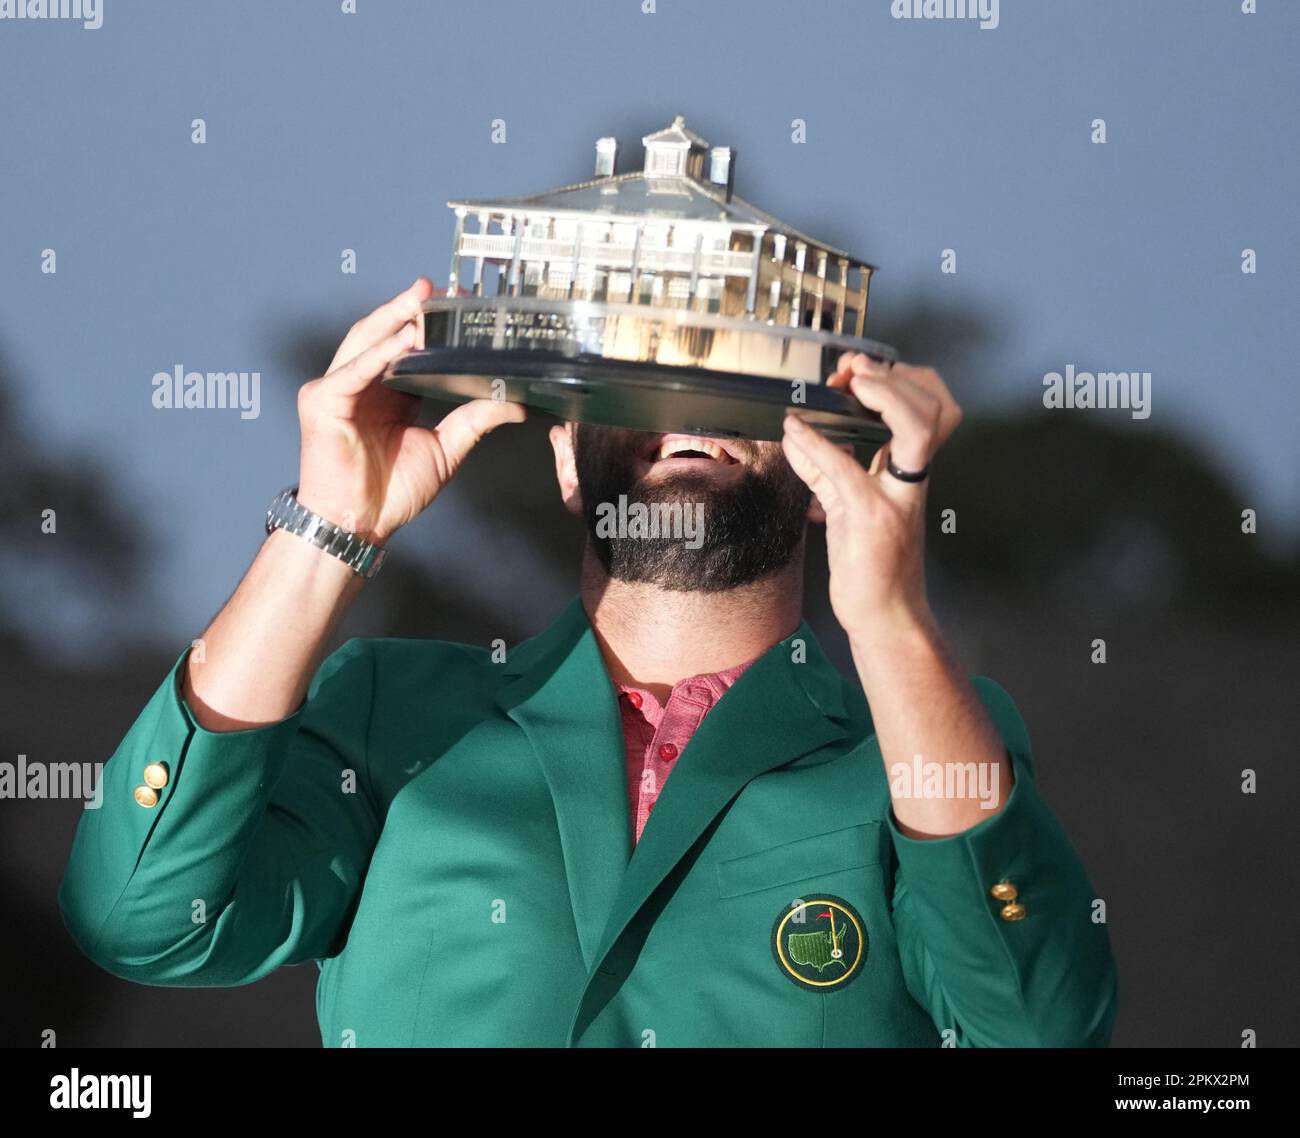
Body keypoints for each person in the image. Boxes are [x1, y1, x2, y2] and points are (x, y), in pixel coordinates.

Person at [59, 277, 1118, 1047]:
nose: (693, 399)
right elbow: (141, 917)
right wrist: (330, 522)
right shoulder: (400, 710)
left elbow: (1038, 1028)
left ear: (816, 462)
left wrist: (888, 617)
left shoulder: (916, 755)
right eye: (650, 369)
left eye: (738, 373)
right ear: (566, 455)